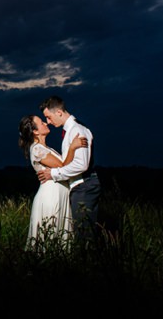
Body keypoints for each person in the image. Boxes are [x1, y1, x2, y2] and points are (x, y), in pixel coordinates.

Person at [36, 95, 101, 245]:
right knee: (80, 233)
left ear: (59, 112)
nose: (49, 122)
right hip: (79, 186)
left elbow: (81, 164)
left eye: (49, 117)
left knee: (85, 235)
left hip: (84, 186)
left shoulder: (78, 130)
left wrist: (53, 174)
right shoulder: (70, 130)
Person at [19, 114, 88, 251]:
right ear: (35, 131)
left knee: (61, 236)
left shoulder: (47, 149)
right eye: (41, 122)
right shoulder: (37, 149)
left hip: (60, 193)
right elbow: (63, 166)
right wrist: (73, 148)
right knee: (50, 236)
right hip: (51, 196)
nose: (46, 123)